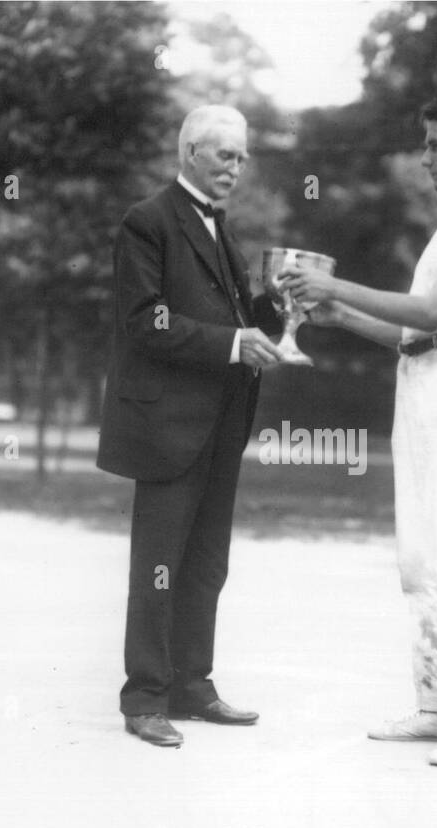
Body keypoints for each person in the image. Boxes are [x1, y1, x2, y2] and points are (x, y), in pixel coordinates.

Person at [283, 92, 437, 767]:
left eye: (435, 144)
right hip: (419, 382)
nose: (424, 158)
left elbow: (435, 307)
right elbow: (413, 329)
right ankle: (436, 704)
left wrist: (332, 287)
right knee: (418, 557)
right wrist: (343, 318)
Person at [99, 105, 285, 748]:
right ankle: (145, 696)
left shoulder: (219, 228)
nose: (236, 168)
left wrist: (276, 306)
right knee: (158, 565)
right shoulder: (147, 222)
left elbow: (235, 320)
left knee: (205, 565)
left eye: (242, 157)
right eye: (225, 155)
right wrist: (236, 343)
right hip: (168, 427)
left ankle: (192, 685)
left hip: (221, 422)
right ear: (189, 153)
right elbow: (145, 322)